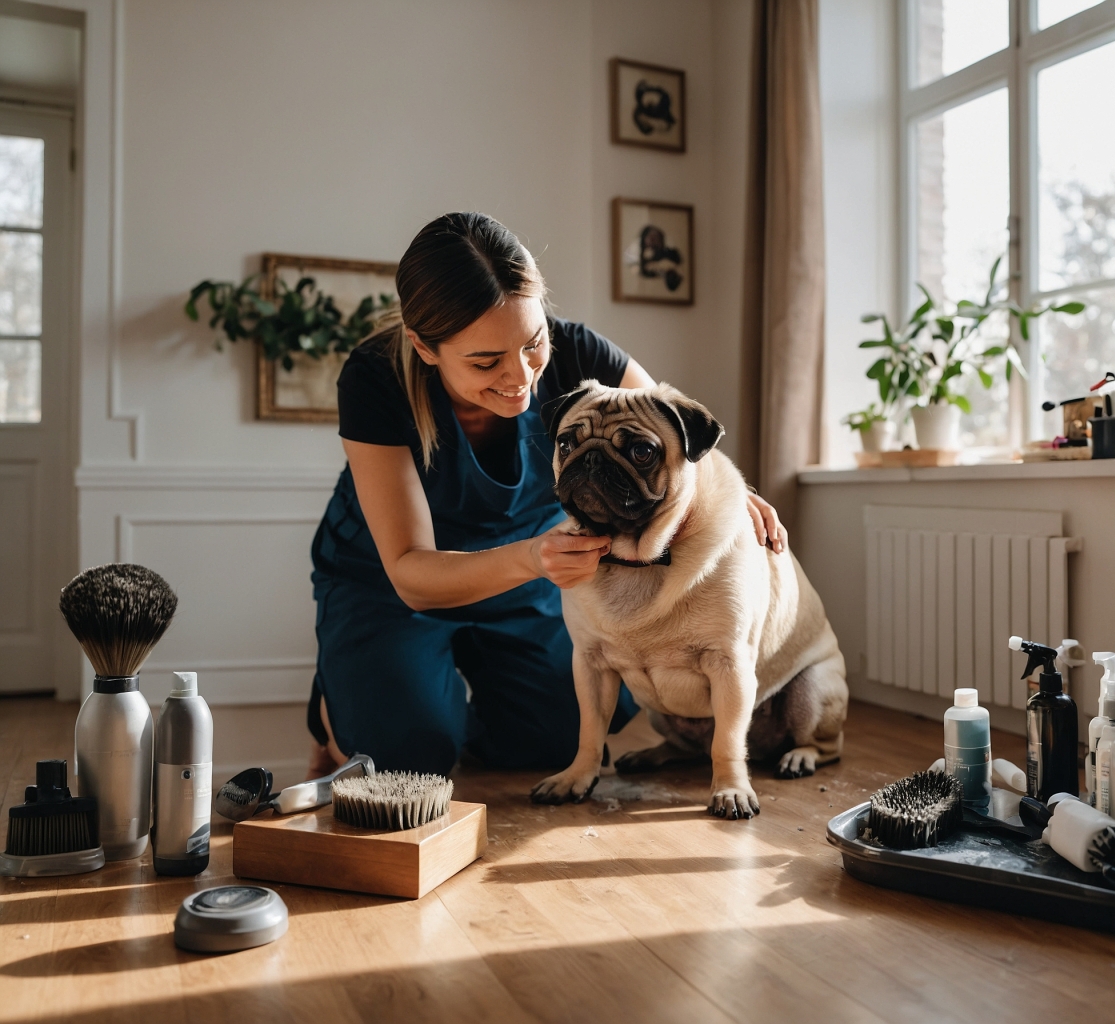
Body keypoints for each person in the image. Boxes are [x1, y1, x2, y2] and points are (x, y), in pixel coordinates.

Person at [307, 212, 786, 778]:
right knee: (402, 760)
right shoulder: (374, 379)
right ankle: (343, 703)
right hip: (394, 586)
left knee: (561, 743)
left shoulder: (579, 352)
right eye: (486, 361)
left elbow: (671, 427)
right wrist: (534, 556)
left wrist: (735, 491)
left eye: (533, 343)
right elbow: (411, 573)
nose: (521, 377)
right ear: (425, 346)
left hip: (527, 579)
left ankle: (458, 710)